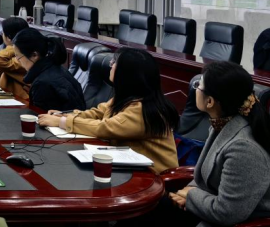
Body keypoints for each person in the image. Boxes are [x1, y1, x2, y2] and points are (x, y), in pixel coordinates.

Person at [166, 61, 270, 227]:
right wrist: (186, 193)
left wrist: (191, 196)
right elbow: (204, 175)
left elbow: (228, 212)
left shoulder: (244, 148)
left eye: (198, 85)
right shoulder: (223, 123)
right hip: (213, 211)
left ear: (210, 101)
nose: (195, 88)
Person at [38, 48, 179, 173]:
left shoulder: (143, 109)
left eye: (114, 62)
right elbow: (97, 113)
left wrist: (62, 122)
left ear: (127, 73)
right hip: (132, 170)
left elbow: (105, 127)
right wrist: (64, 115)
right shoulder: (126, 98)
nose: (110, 65)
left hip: (156, 180)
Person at [12, 29, 84, 112]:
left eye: (18, 57)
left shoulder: (42, 84)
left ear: (34, 55)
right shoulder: (57, 68)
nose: (17, 60)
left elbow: (41, 117)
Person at [0, 17, 30, 100]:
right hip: (6, 94)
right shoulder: (14, 54)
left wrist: (14, 46)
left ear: (9, 37)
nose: (1, 35)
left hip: (19, 99)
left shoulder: (26, 57)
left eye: (2, 33)